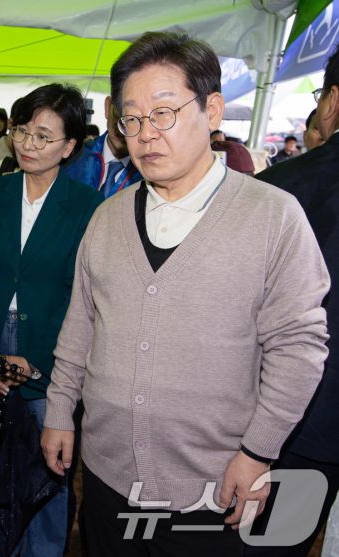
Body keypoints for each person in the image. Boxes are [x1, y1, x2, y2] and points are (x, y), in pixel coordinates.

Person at [41, 32, 329, 557]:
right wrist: (60, 410)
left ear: (212, 110)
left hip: (212, 486)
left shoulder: (272, 216)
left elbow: (299, 347)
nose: (145, 134)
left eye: (163, 113)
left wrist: (258, 452)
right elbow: (81, 322)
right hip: (107, 475)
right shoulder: (107, 218)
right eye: (131, 119)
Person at [0, 83, 104, 557]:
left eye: (43, 136)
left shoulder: (87, 206)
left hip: (50, 362)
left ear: (69, 146)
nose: (27, 143)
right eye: (22, 130)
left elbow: (80, 300)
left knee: (46, 481)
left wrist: (35, 364)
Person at [250, 44, 339, 557]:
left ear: (332, 102)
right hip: (305, 424)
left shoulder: (280, 190)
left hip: (297, 423)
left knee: (270, 546)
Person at [65, 95, 143, 197]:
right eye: (119, 111)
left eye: (133, 118)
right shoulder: (72, 157)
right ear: (108, 106)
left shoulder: (151, 177)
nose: (122, 127)